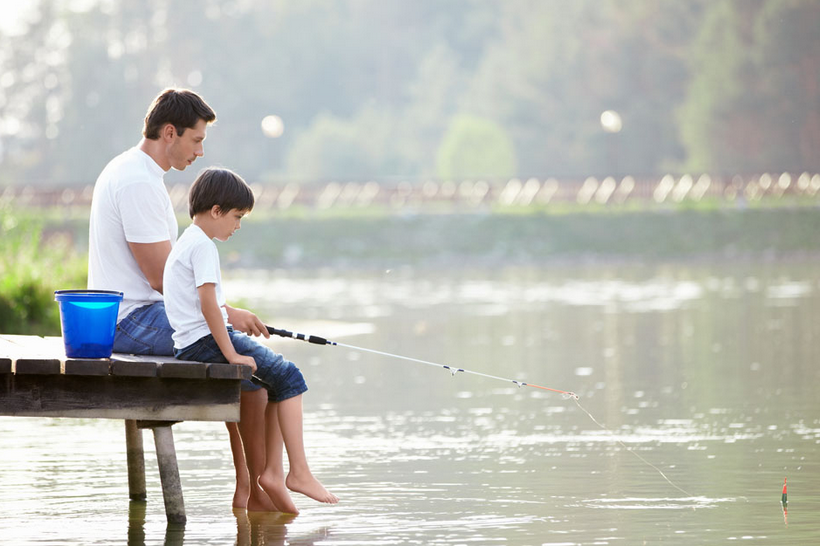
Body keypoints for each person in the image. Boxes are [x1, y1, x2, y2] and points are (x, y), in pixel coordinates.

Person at [87, 88, 277, 512]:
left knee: (238, 352)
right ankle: (252, 489)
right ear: (169, 132)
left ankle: (251, 485)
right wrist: (226, 315)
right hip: (131, 320)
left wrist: (225, 316)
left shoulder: (132, 170)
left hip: (135, 313)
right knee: (246, 359)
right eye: (196, 139)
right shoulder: (138, 181)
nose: (201, 151)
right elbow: (161, 279)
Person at [163, 167, 338, 513]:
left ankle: (273, 474)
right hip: (207, 343)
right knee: (291, 377)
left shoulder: (186, 241)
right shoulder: (203, 247)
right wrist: (230, 353)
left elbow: (205, 306)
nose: (238, 225)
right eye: (236, 216)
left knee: (276, 383)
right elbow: (208, 305)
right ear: (215, 211)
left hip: (191, 343)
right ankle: (297, 472)